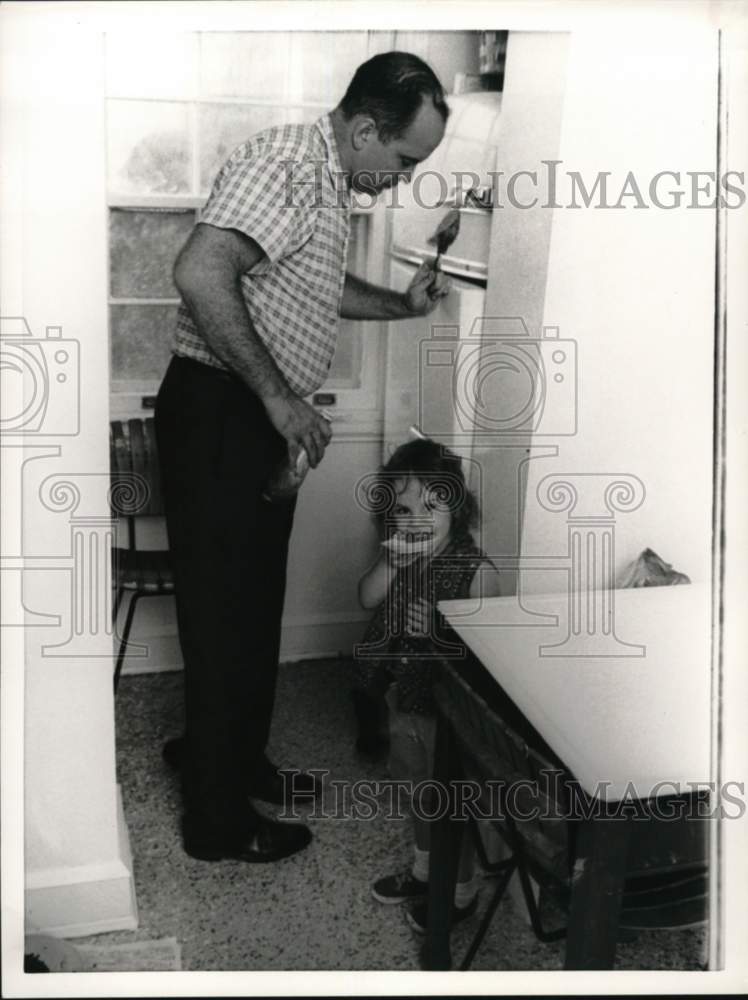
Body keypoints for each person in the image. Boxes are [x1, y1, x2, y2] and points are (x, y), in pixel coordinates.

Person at [155, 51, 451, 865]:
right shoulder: (286, 163)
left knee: (247, 612)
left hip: (249, 421)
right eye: (402, 161)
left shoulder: (323, 181)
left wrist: (400, 304)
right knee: (228, 621)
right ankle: (216, 821)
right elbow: (200, 271)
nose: (401, 180)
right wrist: (279, 399)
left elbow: (311, 288)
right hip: (224, 413)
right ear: (363, 129)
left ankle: (230, 760)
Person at [353, 438, 501, 932]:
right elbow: (365, 598)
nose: (415, 520)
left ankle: (458, 894)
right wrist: (389, 564)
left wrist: (438, 633)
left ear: (456, 507)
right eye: (403, 509)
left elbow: (488, 663)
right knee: (419, 794)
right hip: (406, 698)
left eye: (430, 506)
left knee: (447, 802)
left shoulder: (476, 572)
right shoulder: (403, 556)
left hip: (448, 715)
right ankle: (423, 870)